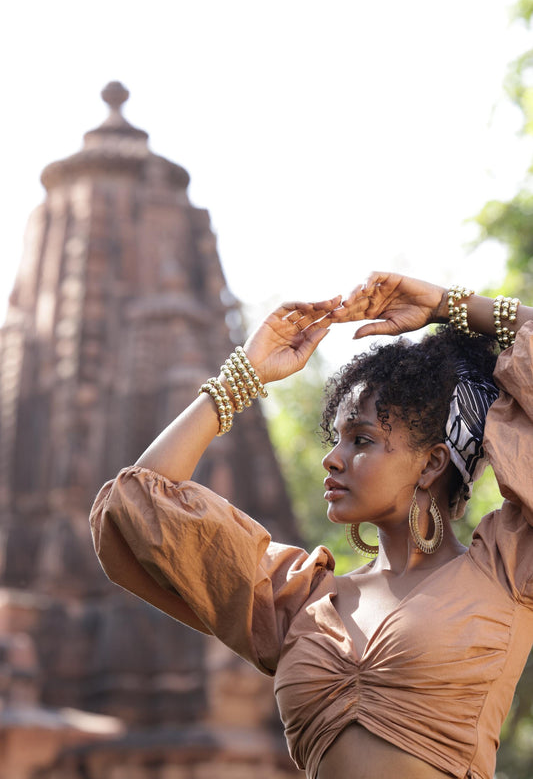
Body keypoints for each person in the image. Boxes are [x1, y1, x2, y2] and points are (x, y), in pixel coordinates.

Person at [90, 272, 533, 779]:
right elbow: (134, 505)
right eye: (337, 438)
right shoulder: (300, 602)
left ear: (432, 464)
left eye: (361, 441)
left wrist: (446, 304)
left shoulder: (507, 567)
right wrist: (245, 372)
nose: (332, 459)